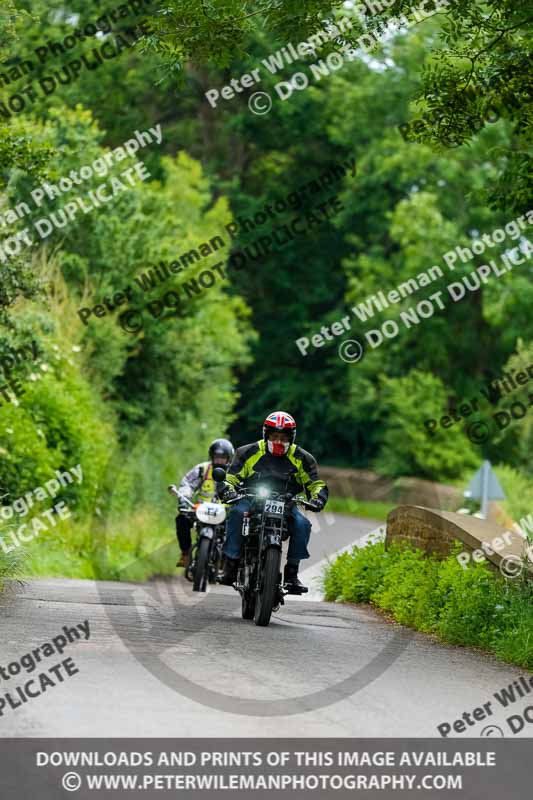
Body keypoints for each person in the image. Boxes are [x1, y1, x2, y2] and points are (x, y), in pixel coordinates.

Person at [219, 411, 328, 593]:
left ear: (291, 438)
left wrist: (317, 498)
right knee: (237, 513)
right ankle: (231, 563)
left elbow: (316, 484)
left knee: (303, 524)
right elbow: (230, 478)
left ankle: (292, 573)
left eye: (283, 437)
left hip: (286, 503)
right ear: (266, 434)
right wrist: (228, 491)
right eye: (274, 436)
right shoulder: (247, 452)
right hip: (251, 498)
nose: (278, 441)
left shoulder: (303, 458)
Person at [172, 438, 234, 568]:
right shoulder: (202, 469)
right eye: (216, 457)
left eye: (223, 457)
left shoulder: (234, 473)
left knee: (239, 527)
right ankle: (185, 553)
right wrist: (184, 498)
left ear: (229, 458)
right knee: (181, 519)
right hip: (201, 510)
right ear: (211, 456)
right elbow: (187, 484)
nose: (219, 460)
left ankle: (229, 559)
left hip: (226, 514)